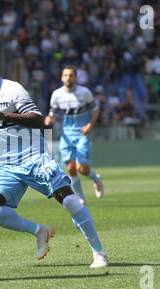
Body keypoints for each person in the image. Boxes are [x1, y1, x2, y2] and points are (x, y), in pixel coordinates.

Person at [0, 53, 109, 268]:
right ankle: (39, 231)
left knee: (70, 201)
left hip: (35, 159)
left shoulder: (12, 89)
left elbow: (38, 120)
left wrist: (7, 116)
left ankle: (99, 254)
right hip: (9, 166)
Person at [44, 66, 104, 206]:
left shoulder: (84, 92)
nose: (68, 78)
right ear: (61, 78)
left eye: (71, 75)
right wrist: (49, 119)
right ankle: (81, 198)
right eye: (65, 75)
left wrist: (89, 125)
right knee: (70, 168)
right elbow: (52, 112)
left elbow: (95, 111)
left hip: (82, 133)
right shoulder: (57, 94)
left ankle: (96, 179)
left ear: (75, 77)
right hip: (66, 134)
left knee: (81, 169)